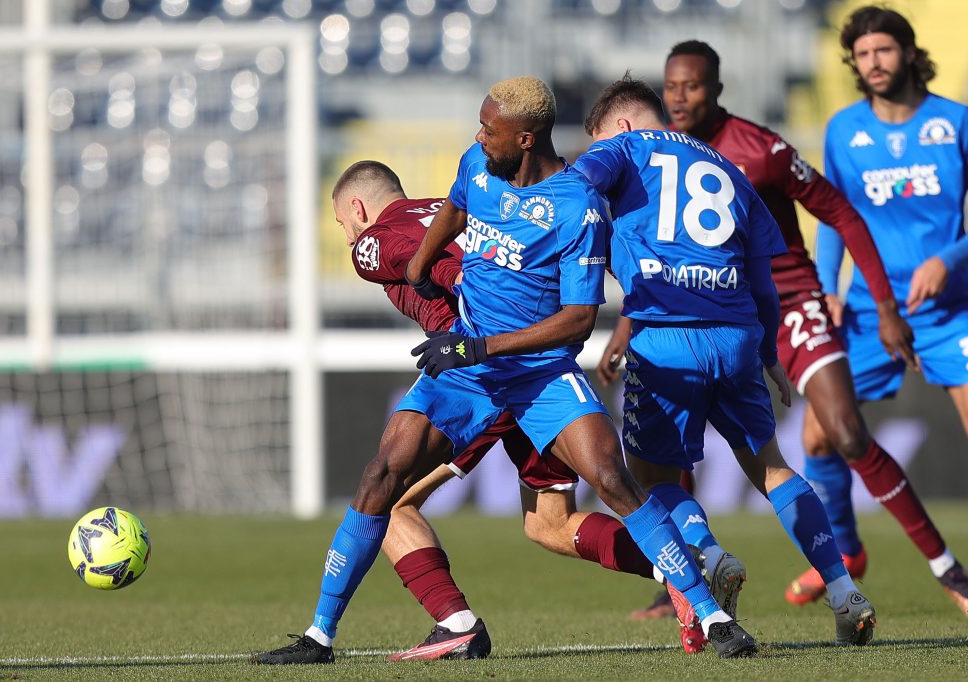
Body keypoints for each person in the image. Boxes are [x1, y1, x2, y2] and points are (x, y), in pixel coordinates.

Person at [255, 76, 756, 665]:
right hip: (466, 372)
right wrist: (420, 265)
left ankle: (716, 616)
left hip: (538, 373)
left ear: (524, 138)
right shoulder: (477, 164)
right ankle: (319, 637)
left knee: (613, 480)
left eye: (488, 128)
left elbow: (576, 321)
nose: (477, 135)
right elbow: (455, 204)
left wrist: (479, 345)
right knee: (382, 477)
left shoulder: (578, 207)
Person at [608, 37, 966, 616]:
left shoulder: (759, 149)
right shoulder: (658, 160)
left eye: (692, 86)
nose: (678, 98)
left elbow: (841, 211)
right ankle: (801, 569)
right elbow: (657, 261)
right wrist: (627, 328)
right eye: (670, 87)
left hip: (788, 304)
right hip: (727, 316)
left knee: (840, 435)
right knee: (717, 453)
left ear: (718, 89)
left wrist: (864, 295)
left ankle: (945, 569)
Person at [330, 159, 703, 659]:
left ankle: (455, 622)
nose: (348, 236)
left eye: (343, 225)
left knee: (391, 502)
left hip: (487, 372)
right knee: (549, 523)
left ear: (357, 208)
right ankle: (681, 570)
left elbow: (430, 267)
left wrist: (455, 291)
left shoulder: (383, 240)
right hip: (535, 359)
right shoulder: (454, 209)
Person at [574, 75, 876, 647]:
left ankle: (709, 555)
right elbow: (764, 277)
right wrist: (768, 352)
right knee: (772, 467)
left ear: (620, 125)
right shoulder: (726, 167)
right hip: (737, 332)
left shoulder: (622, 148)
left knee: (651, 478)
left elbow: (575, 185)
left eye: (600, 140)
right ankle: (843, 591)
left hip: (665, 337)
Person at [811, 6, 968, 616]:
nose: (873, 63)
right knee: (820, 435)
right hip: (870, 310)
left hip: (949, 310)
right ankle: (847, 552)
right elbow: (832, 215)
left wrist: (949, 261)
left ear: (908, 51)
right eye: (863, 54)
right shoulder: (844, 130)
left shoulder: (954, 122)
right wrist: (827, 285)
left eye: (884, 50)